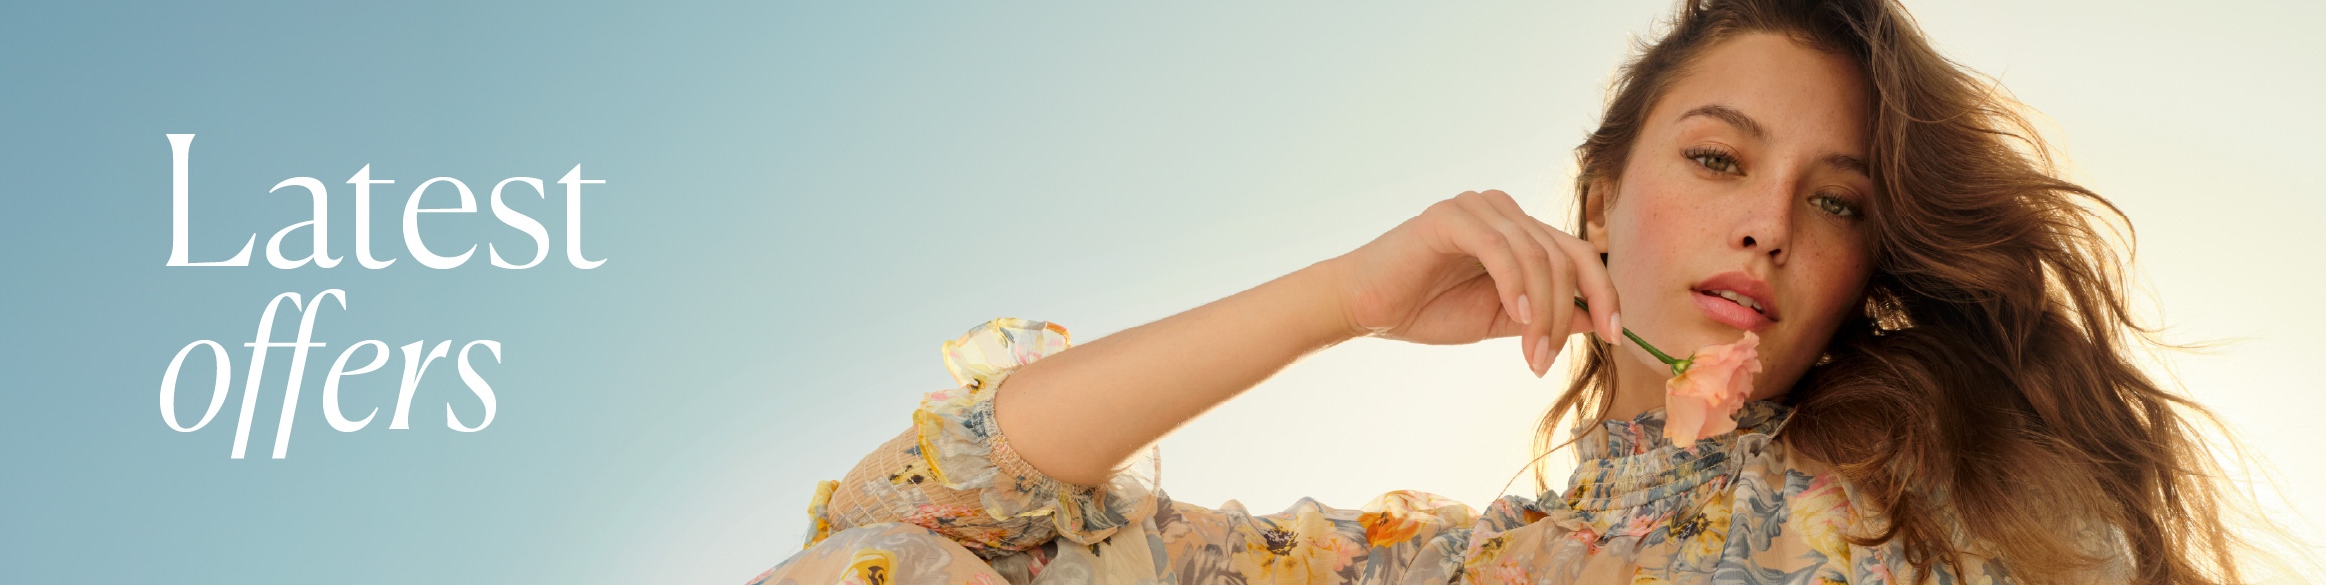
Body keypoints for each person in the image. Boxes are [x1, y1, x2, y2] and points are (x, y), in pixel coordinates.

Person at [746, 0, 2292, 583]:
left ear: (1862, 272)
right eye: (1718, 158)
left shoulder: (1939, 502)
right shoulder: (1433, 562)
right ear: (1601, 201)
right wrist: (1341, 295)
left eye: (1833, 204)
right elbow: (926, 514)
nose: (1766, 227)